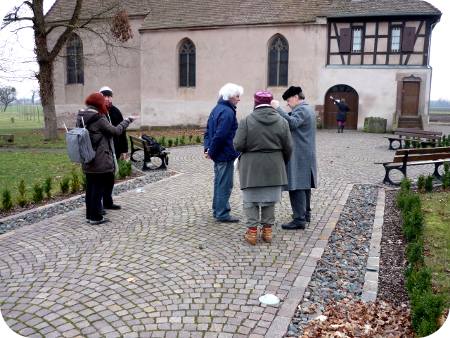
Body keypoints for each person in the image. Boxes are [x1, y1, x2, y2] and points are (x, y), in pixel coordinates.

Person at [234, 90, 293, 245]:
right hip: (275, 165)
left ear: (255, 102)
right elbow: (289, 147)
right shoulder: (282, 121)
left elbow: (238, 144)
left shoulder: (246, 121)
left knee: (251, 200)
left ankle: (252, 232)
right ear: (271, 102)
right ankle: (267, 231)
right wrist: (281, 161)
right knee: (269, 200)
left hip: (251, 166)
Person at [77, 92, 137, 225]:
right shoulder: (98, 118)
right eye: (103, 102)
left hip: (87, 157)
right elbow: (115, 131)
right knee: (97, 189)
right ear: (99, 104)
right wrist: (128, 120)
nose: (106, 103)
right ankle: (96, 217)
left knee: (91, 188)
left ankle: (90, 215)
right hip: (99, 159)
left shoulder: (81, 116)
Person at [271, 86, 318, 230]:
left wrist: (278, 109)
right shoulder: (306, 108)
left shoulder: (302, 110)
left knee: (296, 186)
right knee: (304, 186)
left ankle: (299, 219)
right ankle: (305, 214)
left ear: (296, 97)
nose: (287, 103)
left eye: (288, 100)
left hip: (299, 155)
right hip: (304, 154)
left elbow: (292, 123)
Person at [204, 83, 243, 223]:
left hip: (218, 153)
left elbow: (208, 131)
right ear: (230, 96)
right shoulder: (227, 112)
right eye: (237, 96)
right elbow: (220, 135)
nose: (239, 99)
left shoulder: (217, 109)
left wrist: (208, 149)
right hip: (225, 153)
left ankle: (217, 209)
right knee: (224, 184)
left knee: (219, 182)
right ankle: (222, 213)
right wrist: (211, 151)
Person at [99, 86, 128, 211]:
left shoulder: (116, 111)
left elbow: (122, 132)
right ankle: (98, 204)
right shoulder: (98, 112)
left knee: (110, 178)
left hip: (114, 149)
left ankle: (108, 201)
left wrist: (124, 149)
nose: (108, 99)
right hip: (102, 151)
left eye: (109, 96)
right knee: (101, 179)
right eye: (105, 96)